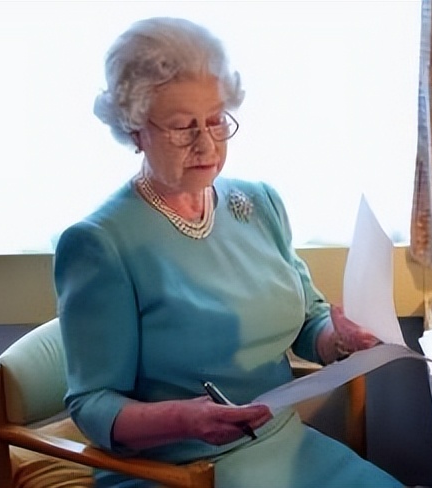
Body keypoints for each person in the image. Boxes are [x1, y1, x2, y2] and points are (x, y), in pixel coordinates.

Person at [53, 17, 403, 488]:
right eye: (183, 127)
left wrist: (340, 340)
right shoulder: (99, 243)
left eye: (216, 120)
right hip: (180, 467)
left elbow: (307, 321)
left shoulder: (259, 202)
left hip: (283, 443)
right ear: (135, 129)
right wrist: (185, 420)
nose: (206, 144)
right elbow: (93, 403)